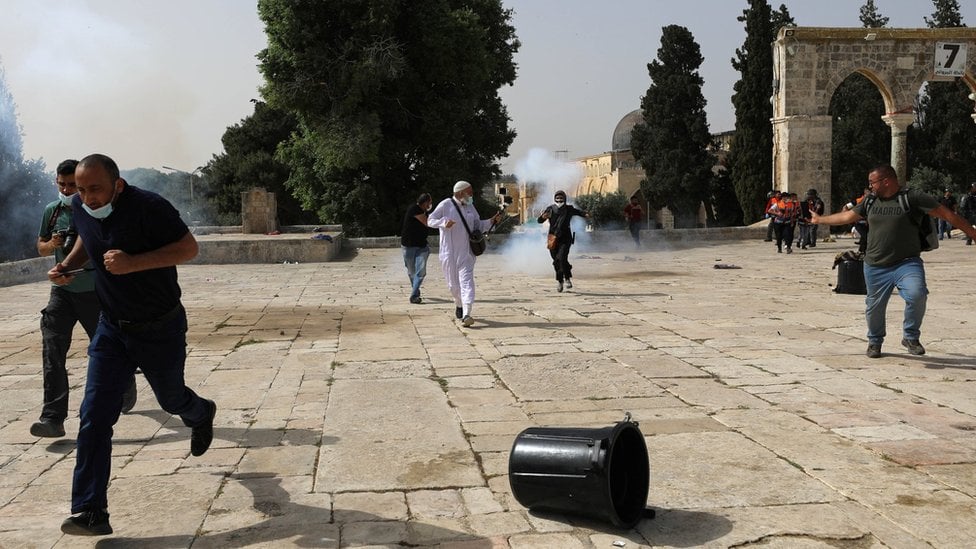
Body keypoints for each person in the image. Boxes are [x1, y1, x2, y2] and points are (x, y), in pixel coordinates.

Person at [49, 154, 216, 536]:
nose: (88, 198)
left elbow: (189, 248)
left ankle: (200, 412)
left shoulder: (150, 207)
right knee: (94, 416)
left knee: (171, 399)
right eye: (81, 189)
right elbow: (88, 242)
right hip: (112, 329)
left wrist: (134, 263)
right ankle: (90, 510)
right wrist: (68, 266)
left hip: (160, 327)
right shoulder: (79, 206)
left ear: (117, 185)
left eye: (96, 189)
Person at [810, 164, 976, 359]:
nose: (870, 187)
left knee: (917, 294)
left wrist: (973, 234)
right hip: (875, 264)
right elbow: (848, 216)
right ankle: (875, 341)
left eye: (872, 182)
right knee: (875, 306)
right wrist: (820, 220)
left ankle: (910, 336)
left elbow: (949, 215)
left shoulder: (912, 198)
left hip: (907, 262)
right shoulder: (870, 200)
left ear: (886, 181)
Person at [32, 160, 137, 439]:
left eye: (72, 185)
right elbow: (40, 246)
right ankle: (52, 417)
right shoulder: (51, 213)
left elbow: (101, 244)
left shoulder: (94, 210)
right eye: (62, 185)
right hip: (62, 293)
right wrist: (52, 248)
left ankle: (126, 384)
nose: (66, 190)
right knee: (52, 350)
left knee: (105, 351)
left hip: (94, 292)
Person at [426, 181, 502, 327]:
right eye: (470, 192)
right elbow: (430, 220)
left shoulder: (470, 207)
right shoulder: (446, 204)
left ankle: (467, 313)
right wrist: (443, 222)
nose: (472, 195)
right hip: (448, 254)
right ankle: (459, 304)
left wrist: (492, 221)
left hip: (466, 253)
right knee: (453, 286)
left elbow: (478, 225)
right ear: (461, 193)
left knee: (467, 282)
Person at [538, 190, 589, 292]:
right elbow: (539, 220)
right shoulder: (550, 209)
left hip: (566, 238)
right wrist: (542, 217)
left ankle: (565, 279)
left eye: (561, 198)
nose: (559, 200)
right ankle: (562, 279)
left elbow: (579, 212)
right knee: (556, 260)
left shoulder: (569, 209)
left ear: (565, 199)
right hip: (552, 238)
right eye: (557, 198)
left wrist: (586, 214)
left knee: (561, 257)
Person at [400, 193, 433, 304]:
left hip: (422, 246)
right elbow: (427, 222)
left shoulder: (424, 212)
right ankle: (416, 290)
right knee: (411, 272)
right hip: (409, 246)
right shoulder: (414, 209)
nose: (430, 204)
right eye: (429, 202)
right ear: (425, 202)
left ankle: (413, 296)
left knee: (421, 271)